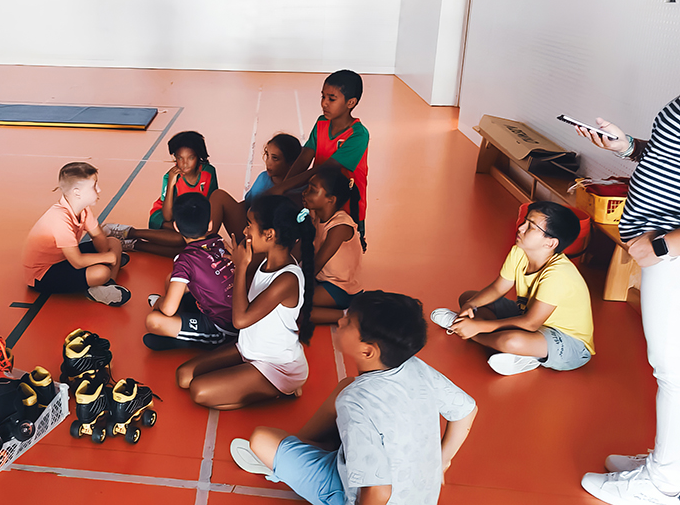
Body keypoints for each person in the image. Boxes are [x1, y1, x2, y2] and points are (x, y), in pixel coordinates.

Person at [230, 291, 478, 505]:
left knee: (260, 440)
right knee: (346, 386)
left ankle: (292, 461)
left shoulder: (356, 402)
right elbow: (467, 410)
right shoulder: (414, 366)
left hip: (363, 496)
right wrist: (442, 461)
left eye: (348, 322)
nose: (340, 321)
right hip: (419, 496)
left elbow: (378, 491)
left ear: (367, 350)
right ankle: (303, 449)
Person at [576, 109, 680, 505]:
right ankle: (668, 462)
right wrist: (629, 147)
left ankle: (665, 482)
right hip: (662, 245)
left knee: (673, 370)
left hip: (668, 248)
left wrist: (663, 244)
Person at [175, 195, 315, 410]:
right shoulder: (265, 260)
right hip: (249, 348)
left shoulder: (287, 279)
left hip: (276, 365)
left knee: (199, 391)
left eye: (250, 226)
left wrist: (241, 268)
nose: (245, 231)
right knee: (184, 376)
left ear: (269, 234)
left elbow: (240, 320)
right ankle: (253, 381)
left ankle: (281, 389)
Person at [431, 201, 594, 376]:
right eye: (525, 221)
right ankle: (520, 355)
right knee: (468, 297)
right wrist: (471, 305)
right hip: (527, 316)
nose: (521, 228)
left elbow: (531, 323)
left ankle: (464, 329)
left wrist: (478, 328)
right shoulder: (519, 251)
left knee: (511, 341)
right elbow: (497, 289)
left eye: (531, 227)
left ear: (550, 243)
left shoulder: (559, 275)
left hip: (569, 342)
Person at [267, 70, 369, 251]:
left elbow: (323, 170)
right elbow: (304, 157)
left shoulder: (358, 135)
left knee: (343, 245)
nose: (324, 103)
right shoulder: (322, 123)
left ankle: (359, 240)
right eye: (322, 97)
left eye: (331, 98)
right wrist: (285, 184)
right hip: (320, 193)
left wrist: (284, 187)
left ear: (350, 103)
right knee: (313, 232)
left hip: (346, 201)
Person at [105, 130, 246, 256]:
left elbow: (211, 204)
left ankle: (135, 244)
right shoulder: (171, 177)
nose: (184, 164)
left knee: (186, 248)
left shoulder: (208, 172)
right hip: (165, 215)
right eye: (179, 158)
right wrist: (171, 183)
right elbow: (167, 216)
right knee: (181, 238)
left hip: (190, 217)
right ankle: (129, 232)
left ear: (198, 157)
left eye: (190, 158)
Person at [23, 162, 129, 306]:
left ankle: (107, 285)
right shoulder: (59, 219)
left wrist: (105, 254)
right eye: (94, 185)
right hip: (43, 275)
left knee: (114, 243)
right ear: (77, 192)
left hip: (64, 258)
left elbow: (97, 235)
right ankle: (104, 281)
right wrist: (107, 257)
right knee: (101, 271)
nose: (99, 189)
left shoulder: (83, 209)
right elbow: (77, 262)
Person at [143, 193, 237, 351]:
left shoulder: (185, 259)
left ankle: (191, 341)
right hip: (236, 312)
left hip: (222, 328)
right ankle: (183, 329)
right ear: (210, 225)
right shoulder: (218, 240)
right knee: (170, 280)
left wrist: (159, 301)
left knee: (153, 321)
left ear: (176, 227)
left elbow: (167, 309)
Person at [301, 166, 363, 324]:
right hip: (324, 280)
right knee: (287, 299)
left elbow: (317, 263)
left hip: (341, 289)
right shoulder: (316, 216)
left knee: (291, 307)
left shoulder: (340, 227)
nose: (305, 192)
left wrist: (291, 283)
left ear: (331, 199)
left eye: (313, 190)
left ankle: (348, 316)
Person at [245, 133, 303, 202]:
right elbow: (247, 203)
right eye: (267, 155)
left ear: (291, 162)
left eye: (275, 158)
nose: (268, 162)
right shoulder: (262, 178)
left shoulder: (300, 190)